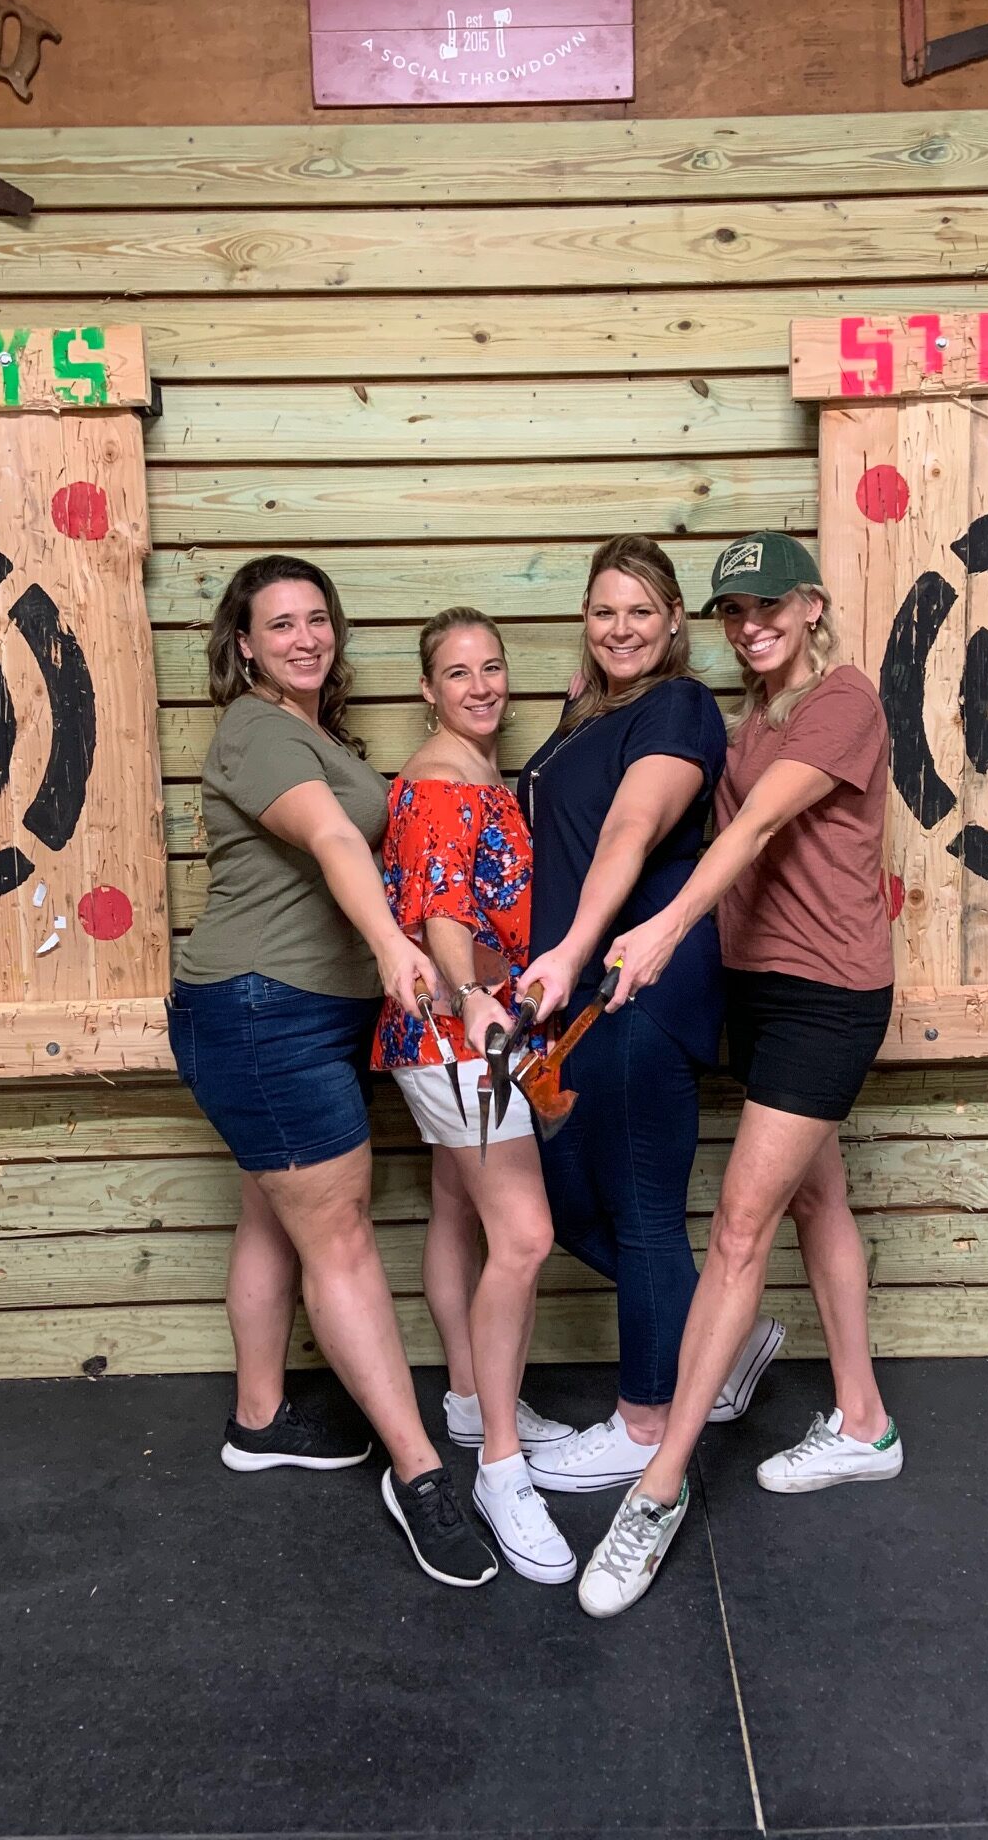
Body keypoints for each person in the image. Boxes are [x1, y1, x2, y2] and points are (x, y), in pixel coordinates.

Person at [575, 532, 902, 1618]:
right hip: (763, 988)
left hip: (828, 995)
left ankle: (657, 1490)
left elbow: (760, 823)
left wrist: (665, 927)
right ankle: (864, 1423)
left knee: (738, 1230)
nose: (751, 623)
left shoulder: (842, 700)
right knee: (819, 1200)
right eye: (733, 611)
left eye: (769, 605)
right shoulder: (751, 713)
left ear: (810, 604)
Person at [166, 553, 498, 1590]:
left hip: (295, 1012)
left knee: (277, 1213)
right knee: (341, 1234)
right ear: (246, 644)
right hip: (263, 1012)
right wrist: (397, 949)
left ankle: (260, 1418)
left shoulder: (314, 733)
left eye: (318, 620)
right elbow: (335, 846)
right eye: (281, 624)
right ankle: (421, 1472)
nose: (305, 637)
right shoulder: (260, 732)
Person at [515, 535, 784, 1497]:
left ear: (674, 623)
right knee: (562, 1202)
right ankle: (728, 1333)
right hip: (573, 993)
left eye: (640, 610)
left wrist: (571, 952)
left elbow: (629, 831)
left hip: (637, 980)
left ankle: (644, 1422)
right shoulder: (582, 713)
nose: (620, 627)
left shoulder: (678, 705)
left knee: (638, 1208)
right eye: (602, 610)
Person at [373, 607, 577, 1585]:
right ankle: (500, 1465)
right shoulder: (446, 782)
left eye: (492, 666)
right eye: (459, 673)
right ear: (428, 689)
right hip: (462, 1037)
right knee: (525, 1236)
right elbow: (447, 912)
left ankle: (466, 1397)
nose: (482, 685)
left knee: (458, 1205)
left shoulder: (475, 768)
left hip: (453, 1034)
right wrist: (473, 1002)